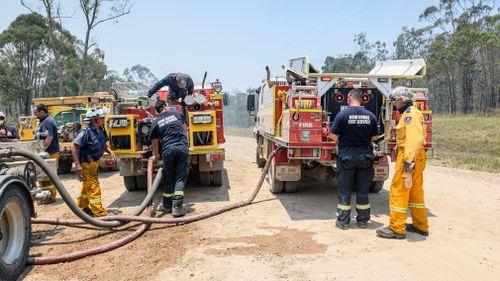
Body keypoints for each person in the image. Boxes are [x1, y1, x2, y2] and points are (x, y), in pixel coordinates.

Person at [376, 86, 429, 239]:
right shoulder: (411, 113)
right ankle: (420, 225)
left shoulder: (409, 115)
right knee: (414, 191)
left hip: (409, 156)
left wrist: (408, 161)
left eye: (393, 100)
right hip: (416, 156)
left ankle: (397, 228)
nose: (393, 103)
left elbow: (414, 139)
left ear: (401, 100)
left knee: (398, 189)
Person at [325, 89, 380, 230]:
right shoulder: (371, 116)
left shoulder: (342, 115)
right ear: (361, 99)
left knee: (345, 190)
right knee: (362, 190)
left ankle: (343, 222)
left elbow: (334, 137)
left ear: (349, 99)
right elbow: (375, 138)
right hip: (365, 157)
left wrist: (328, 132)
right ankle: (362, 221)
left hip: (347, 157)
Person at [72, 107, 116, 217]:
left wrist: (110, 151)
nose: (104, 119)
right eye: (102, 118)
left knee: (87, 185)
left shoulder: (100, 129)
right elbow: (74, 146)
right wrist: (77, 164)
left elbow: (103, 144)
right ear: (95, 119)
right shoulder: (86, 131)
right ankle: (99, 213)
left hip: (94, 163)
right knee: (93, 187)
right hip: (87, 163)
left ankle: (82, 207)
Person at [148, 100, 188, 217]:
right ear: (165, 106)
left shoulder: (156, 122)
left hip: (168, 150)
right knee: (180, 177)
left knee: (168, 178)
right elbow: (185, 129)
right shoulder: (176, 114)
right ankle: (177, 208)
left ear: (157, 110)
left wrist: (156, 155)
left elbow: (154, 142)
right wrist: (185, 144)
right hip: (181, 148)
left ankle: (167, 206)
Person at [33, 104, 60, 203]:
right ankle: (45, 195)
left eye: (36, 113)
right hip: (46, 153)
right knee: (43, 176)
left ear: (42, 112)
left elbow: (49, 138)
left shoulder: (47, 121)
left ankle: (51, 196)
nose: (35, 115)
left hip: (49, 153)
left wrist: (42, 151)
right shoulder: (43, 121)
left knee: (49, 176)